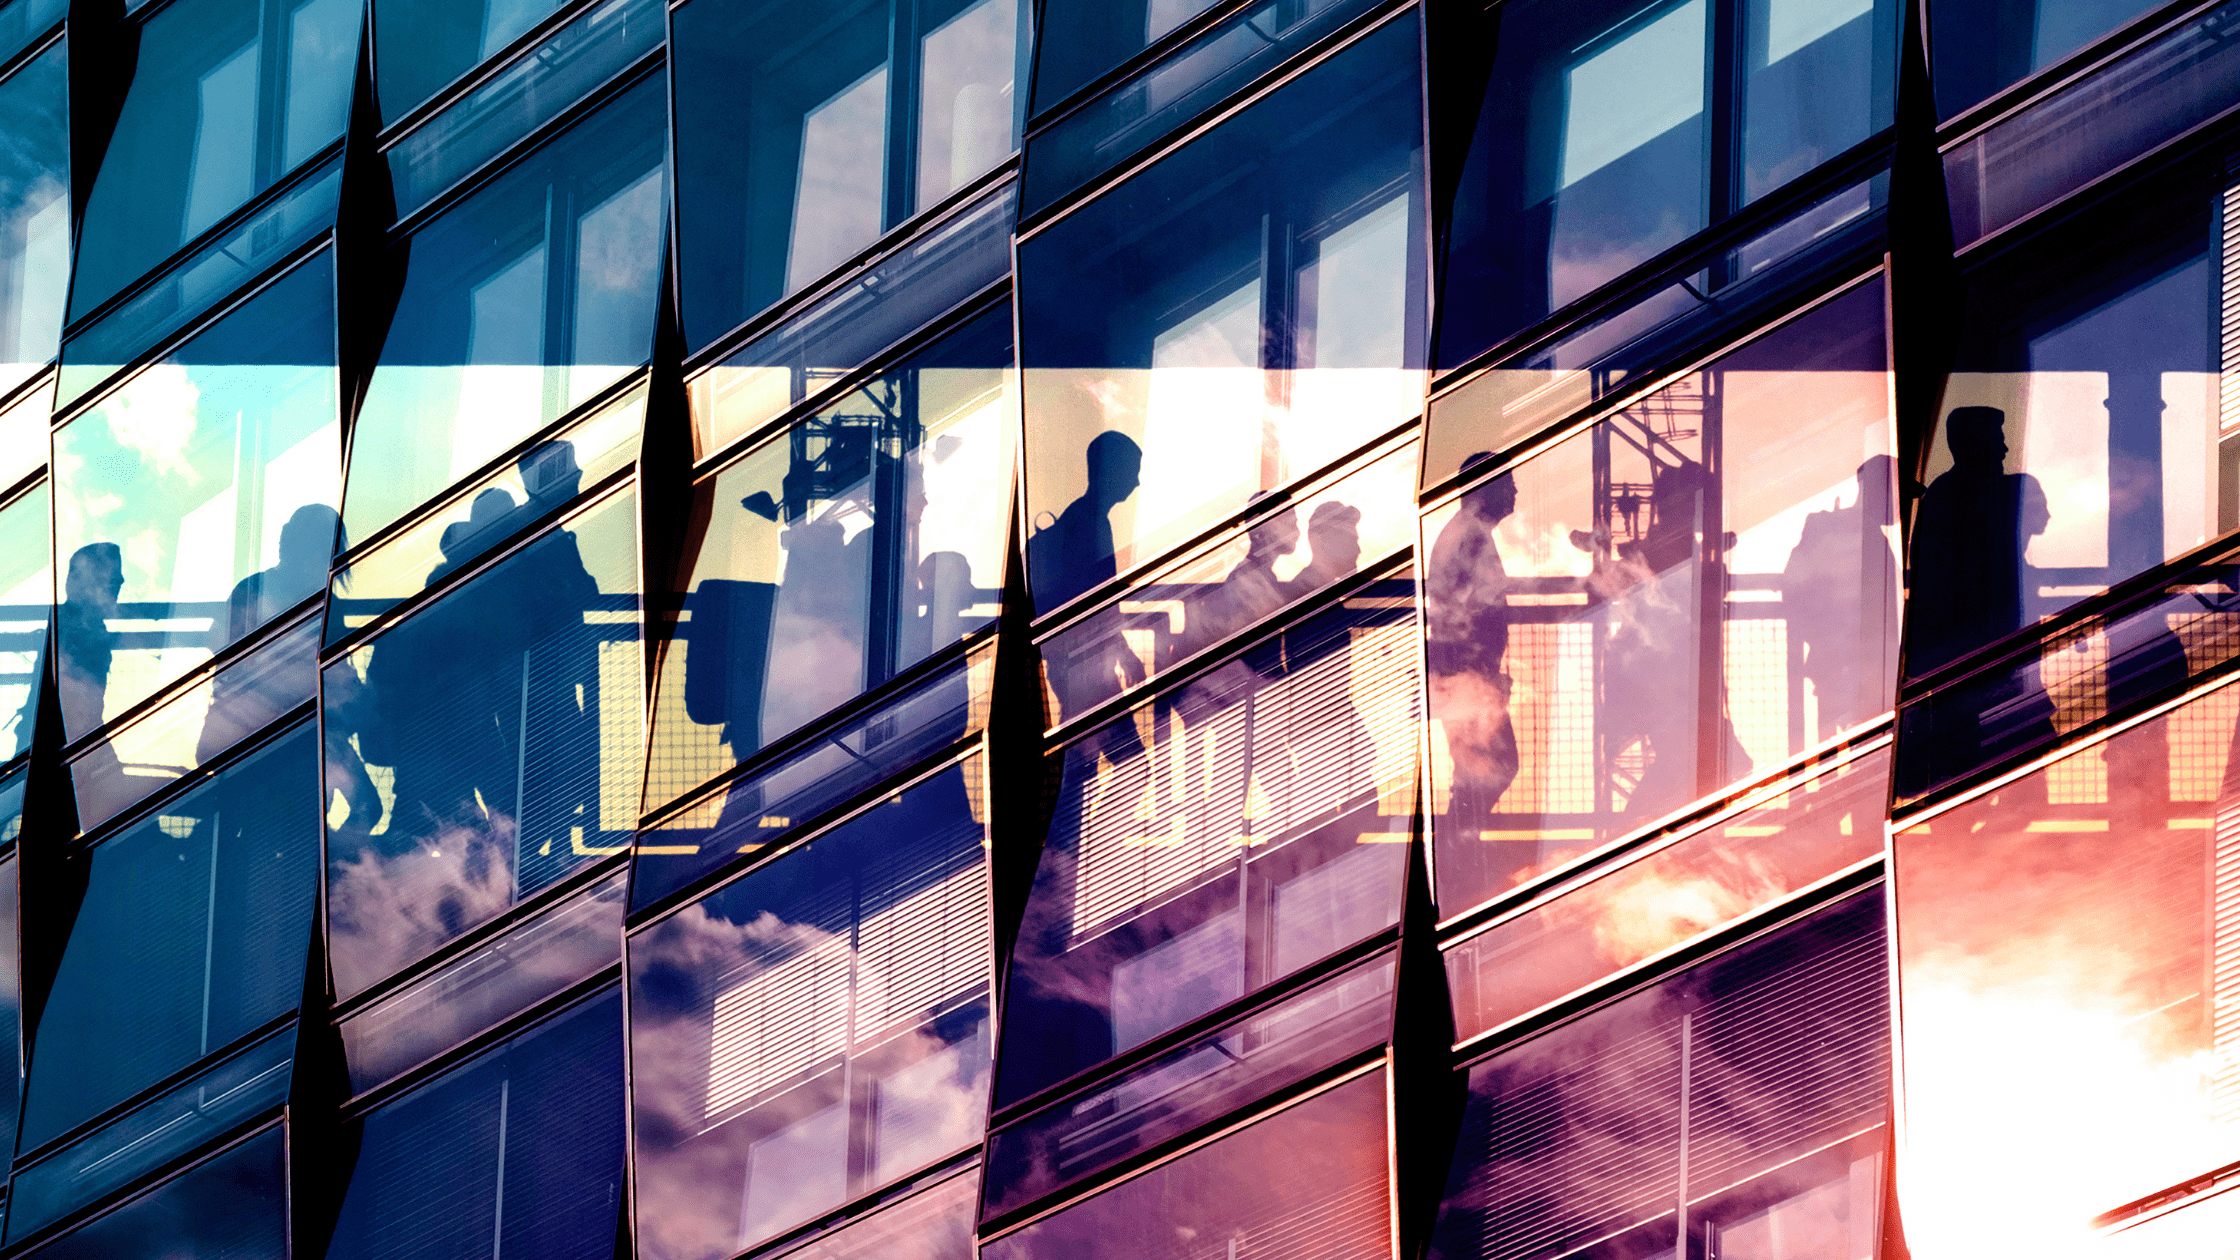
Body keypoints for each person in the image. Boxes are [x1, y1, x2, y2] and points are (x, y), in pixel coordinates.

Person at [1909, 406, 2050, 674]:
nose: (2005, 450)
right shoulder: (1957, 498)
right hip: (1972, 655)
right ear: (1974, 444)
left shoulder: (1949, 495)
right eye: (1998, 440)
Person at [1781, 456, 1898, 740]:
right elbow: (1796, 587)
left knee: (1864, 747)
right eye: (1897, 493)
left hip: (1858, 667)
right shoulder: (1836, 529)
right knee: (1865, 748)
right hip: (1852, 668)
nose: (1900, 505)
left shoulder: (1860, 533)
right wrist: (1831, 643)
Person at [55, 542, 122, 740]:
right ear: (77, 581)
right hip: (74, 740)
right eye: (110, 582)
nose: (118, 585)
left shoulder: (88, 627)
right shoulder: (67, 629)